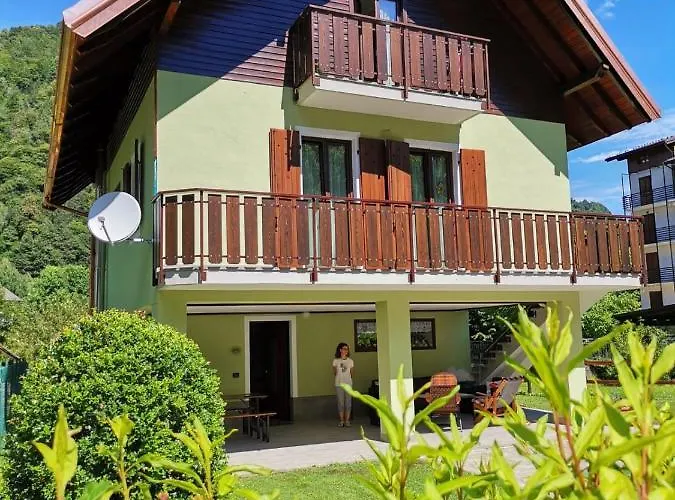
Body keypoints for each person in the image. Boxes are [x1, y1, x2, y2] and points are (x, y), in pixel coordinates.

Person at [332, 342, 354, 427]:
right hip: (339, 384)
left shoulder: (350, 361)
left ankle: (347, 421)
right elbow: (335, 372)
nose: (346, 351)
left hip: (348, 384)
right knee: (341, 403)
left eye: (347, 349)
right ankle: (341, 421)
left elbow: (352, 373)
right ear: (340, 350)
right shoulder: (336, 361)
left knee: (348, 403)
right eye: (344, 349)